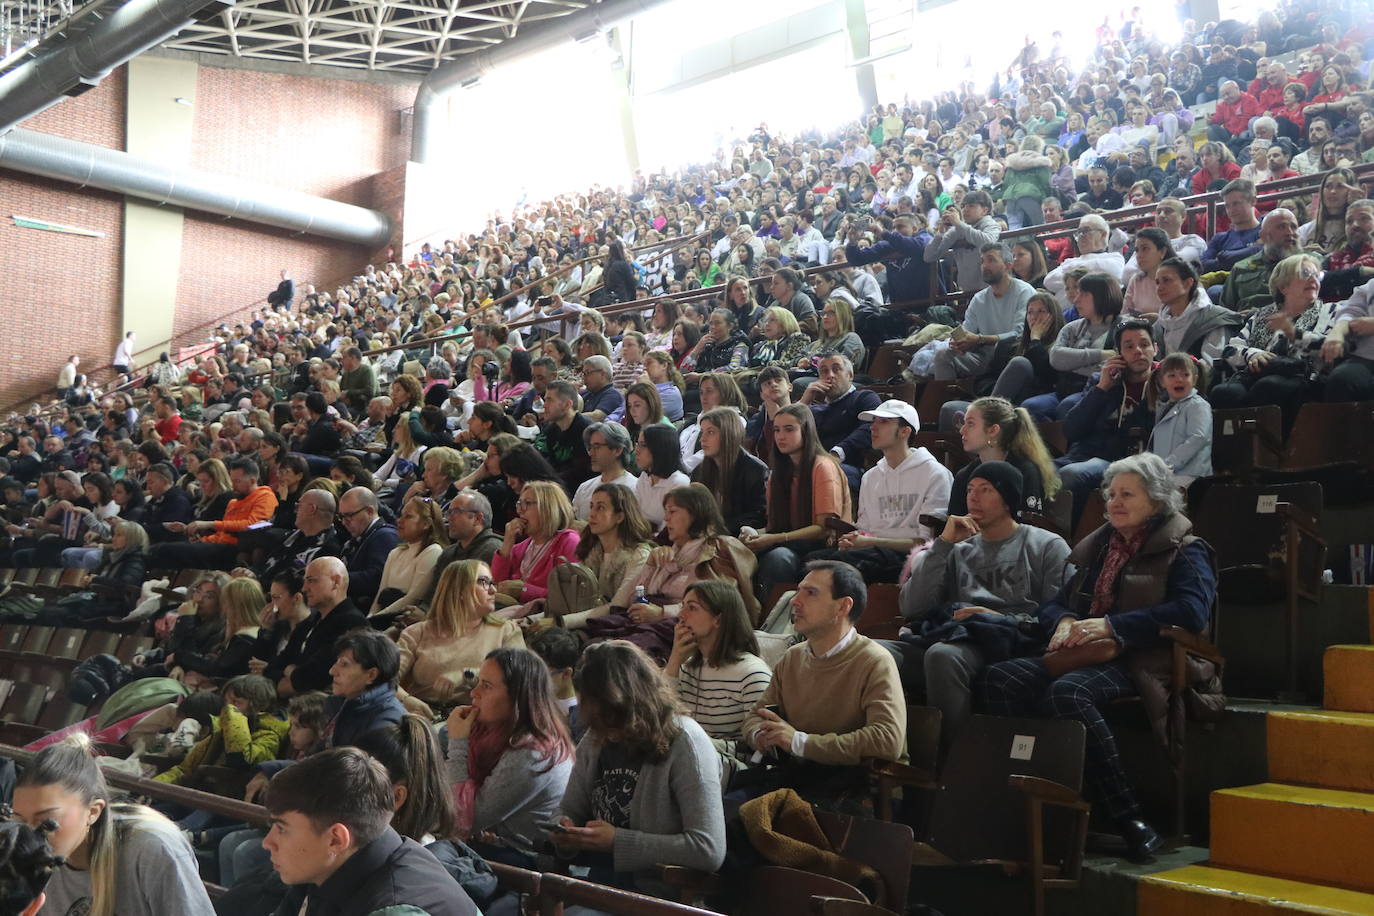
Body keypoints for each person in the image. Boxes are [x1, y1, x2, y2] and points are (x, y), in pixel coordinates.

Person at [980, 453, 1218, 861]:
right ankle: (1038, 808)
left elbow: (1191, 613)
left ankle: (1129, 819)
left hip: (1145, 658)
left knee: (1067, 694)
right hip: (1084, 652)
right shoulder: (1099, 545)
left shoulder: (1187, 549)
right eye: (1110, 494)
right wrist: (1064, 620)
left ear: (1158, 500)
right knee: (1001, 678)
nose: (1115, 502)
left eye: (1127, 494)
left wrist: (1112, 626)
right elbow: (1053, 603)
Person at [890, 462, 1071, 739]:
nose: (973, 497)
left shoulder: (1046, 545)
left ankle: (956, 761)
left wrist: (1000, 618)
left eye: (986, 490)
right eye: (970, 489)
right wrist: (942, 545)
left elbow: (1060, 614)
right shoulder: (957, 550)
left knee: (942, 655)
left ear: (1009, 499)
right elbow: (912, 607)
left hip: (1014, 640)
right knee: (874, 652)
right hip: (961, 636)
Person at [552, 641, 726, 896]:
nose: (609, 735)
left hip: (652, 895)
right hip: (592, 881)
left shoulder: (687, 743)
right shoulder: (597, 736)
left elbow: (708, 849)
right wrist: (564, 830)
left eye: (613, 719)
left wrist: (618, 842)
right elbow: (569, 809)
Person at [742, 561, 906, 804]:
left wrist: (800, 742)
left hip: (855, 790)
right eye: (798, 590)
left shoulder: (874, 661)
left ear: (842, 606)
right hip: (799, 779)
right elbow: (756, 717)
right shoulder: (793, 657)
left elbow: (886, 740)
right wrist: (762, 735)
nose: (795, 601)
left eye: (810, 593)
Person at [12, 736, 215, 915]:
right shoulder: (20, 853)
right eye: (20, 820)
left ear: (93, 812)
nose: (30, 835)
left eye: (46, 821)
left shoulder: (151, 847)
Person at [263, 747, 479, 916]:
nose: (267, 842)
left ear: (335, 840)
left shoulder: (396, 909)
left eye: (282, 828)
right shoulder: (330, 866)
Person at [445, 647, 575, 866]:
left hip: (528, 860)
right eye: (478, 682)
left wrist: (457, 743)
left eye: (486, 686)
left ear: (518, 696)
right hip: (495, 844)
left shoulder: (533, 751)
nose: (473, 693)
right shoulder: (492, 731)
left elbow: (465, 818)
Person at [809, 400, 952, 583]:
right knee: (811, 560)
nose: (872, 428)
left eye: (883, 422)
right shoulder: (871, 476)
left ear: (904, 431)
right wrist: (854, 539)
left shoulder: (935, 474)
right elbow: (866, 529)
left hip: (908, 557)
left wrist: (870, 542)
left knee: (830, 568)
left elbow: (927, 543)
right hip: (871, 550)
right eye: (873, 421)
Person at [1211, 252, 1338, 430]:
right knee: (1224, 392)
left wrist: (1292, 332)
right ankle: (1236, 451)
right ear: (1283, 286)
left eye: (1316, 275)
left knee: (1270, 386)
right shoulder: (1262, 315)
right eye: (1305, 274)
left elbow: (1328, 348)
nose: (1313, 279)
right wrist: (1254, 355)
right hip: (1256, 375)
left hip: (1306, 378)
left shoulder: (1330, 311)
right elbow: (1231, 348)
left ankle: (1269, 452)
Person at [664, 579, 772, 785]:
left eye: (692, 608)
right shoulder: (687, 667)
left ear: (718, 620)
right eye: (682, 606)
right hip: (689, 758)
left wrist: (694, 744)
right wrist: (675, 659)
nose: (681, 615)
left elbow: (759, 748)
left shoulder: (751, 673)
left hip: (734, 769)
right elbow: (663, 718)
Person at [741, 405, 853, 604]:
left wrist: (773, 538)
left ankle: (767, 622)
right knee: (733, 548)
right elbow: (774, 526)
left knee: (778, 558)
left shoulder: (823, 466)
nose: (781, 436)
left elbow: (823, 530)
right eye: (776, 430)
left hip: (822, 546)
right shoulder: (779, 472)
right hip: (789, 542)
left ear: (806, 430)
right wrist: (755, 533)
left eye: (789, 429)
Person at [1058, 319, 1158, 527]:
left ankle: (1064, 542)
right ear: (1118, 354)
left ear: (1155, 348)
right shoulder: (1102, 381)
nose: (1138, 351)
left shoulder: (1163, 384)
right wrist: (1102, 388)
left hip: (1119, 461)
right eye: (1129, 346)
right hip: (1082, 455)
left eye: (1144, 344)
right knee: (1032, 470)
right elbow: (1071, 429)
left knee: (1071, 475)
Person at [543, 483, 653, 630]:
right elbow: (573, 600)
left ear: (619, 516)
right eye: (591, 506)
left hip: (614, 629)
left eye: (600, 507)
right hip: (580, 622)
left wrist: (558, 623)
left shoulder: (638, 555)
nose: (592, 514)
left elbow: (616, 607)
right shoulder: (592, 550)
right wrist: (531, 621)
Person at [1023, 272, 1123, 421]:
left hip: (1098, 391)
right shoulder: (1071, 327)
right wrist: (1101, 355)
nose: (1076, 300)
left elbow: (1106, 369)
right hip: (1064, 389)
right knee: (1029, 406)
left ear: (1101, 295)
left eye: (1083, 294)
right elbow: (1056, 358)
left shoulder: (1122, 328)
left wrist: (1071, 362)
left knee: (1068, 406)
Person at [149, 456, 278, 569]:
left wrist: (211, 524)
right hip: (217, 545)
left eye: (237, 481)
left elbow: (252, 525)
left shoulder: (264, 496)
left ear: (252, 481)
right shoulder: (233, 501)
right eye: (232, 480)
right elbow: (222, 534)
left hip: (235, 549)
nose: (232, 486)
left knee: (164, 550)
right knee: (158, 549)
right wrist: (202, 540)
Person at [267, 556, 367, 698]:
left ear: (336, 582)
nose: (304, 588)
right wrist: (291, 674)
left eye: (311, 580)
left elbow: (313, 678)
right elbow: (274, 667)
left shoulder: (353, 623)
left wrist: (289, 672)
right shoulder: (310, 621)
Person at [932, 244, 1034, 381]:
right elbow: (967, 331)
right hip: (983, 357)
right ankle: (948, 399)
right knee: (942, 354)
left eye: (991, 260)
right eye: (982, 261)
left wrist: (980, 339)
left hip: (1013, 356)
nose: (985, 266)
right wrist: (958, 342)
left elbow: (1020, 333)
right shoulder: (979, 299)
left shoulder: (1025, 292)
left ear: (1008, 266)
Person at [491, 480, 579, 607]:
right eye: (519, 504)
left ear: (548, 508)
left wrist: (525, 590)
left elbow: (570, 597)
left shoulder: (569, 542)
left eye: (527, 504)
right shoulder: (520, 547)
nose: (520, 511)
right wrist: (507, 543)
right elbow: (496, 585)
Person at [690, 406, 768, 535]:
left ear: (728, 434)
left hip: (738, 537)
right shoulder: (699, 472)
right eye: (702, 432)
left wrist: (717, 530)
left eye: (710, 432)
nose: (702, 439)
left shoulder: (756, 470)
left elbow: (757, 516)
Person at [843, 213, 940, 307]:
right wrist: (852, 242)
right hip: (901, 310)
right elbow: (856, 259)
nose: (895, 231)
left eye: (900, 227)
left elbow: (918, 246)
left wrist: (882, 232)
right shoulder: (888, 245)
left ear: (914, 229)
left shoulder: (925, 237)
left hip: (930, 306)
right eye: (894, 227)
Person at [1155, 258, 1239, 362]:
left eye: (1166, 280)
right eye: (1157, 282)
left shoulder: (1213, 319)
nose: (1159, 287)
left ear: (1187, 283)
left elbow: (1212, 367)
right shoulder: (1159, 326)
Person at [1148, 353, 1214, 486]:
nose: (1179, 380)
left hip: (1192, 476)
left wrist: (1169, 465)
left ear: (1194, 379)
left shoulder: (1198, 405)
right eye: (1172, 375)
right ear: (1162, 381)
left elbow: (1198, 437)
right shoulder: (1163, 409)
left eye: (1185, 375)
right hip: (1167, 475)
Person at [1220, 207, 1302, 312]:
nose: (1290, 232)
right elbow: (1225, 313)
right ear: (1263, 235)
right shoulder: (1240, 268)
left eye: (1294, 227)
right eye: (1281, 227)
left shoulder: (1313, 264)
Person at [924, 190, 1002, 294]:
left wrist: (958, 223)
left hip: (992, 288)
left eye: (971, 206)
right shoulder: (958, 229)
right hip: (968, 291)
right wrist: (940, 234)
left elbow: (987, 242)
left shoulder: (991, 224)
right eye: (963, 206)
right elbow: (929, 257)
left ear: (984, 210)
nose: (965, 210)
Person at [337, 486, 401, 609]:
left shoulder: (385, 536)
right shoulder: (364, 534)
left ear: (370, 511)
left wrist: (336, 578)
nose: (344, 522)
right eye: (342, 517)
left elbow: (377, 578)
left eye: (349, 515)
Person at [1043, 214, 1126, 308]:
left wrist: (1069, 270)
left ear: (1103, 234)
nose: (1081, 236)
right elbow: (1049, 281)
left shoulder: (1114, 258)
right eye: (1079, 232)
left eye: (1086, 230)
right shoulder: (1071, 261)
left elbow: (1115, 272)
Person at [532, 380, 592, 496]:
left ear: (567, 405)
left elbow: (580, 473)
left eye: (550, 400)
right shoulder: (551, 430)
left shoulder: (586, 431)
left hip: (578, 492)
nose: (544, 405)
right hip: (555, 488)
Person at [571, 421, 637, 521]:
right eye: (590, 448)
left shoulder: (635, 488)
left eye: (597, 447)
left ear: (617, 450)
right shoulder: (584, 488)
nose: (591, 453)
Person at [633, 424, 690, 531]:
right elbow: (633, 518)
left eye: (643, 445)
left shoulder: (678, 483)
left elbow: (667, 531)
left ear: (660, 449)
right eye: (637, 444)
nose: (636, 451)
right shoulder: (644, 477)